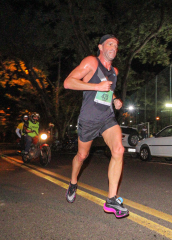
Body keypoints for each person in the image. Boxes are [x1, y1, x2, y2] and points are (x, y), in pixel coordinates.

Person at [63, 34, 128, 218]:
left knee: (119, 150)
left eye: (116, 45)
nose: (113, 47)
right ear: (100, 47)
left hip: (107, 117)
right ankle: (73, 182)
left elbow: (110, 90)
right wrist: (96, 87)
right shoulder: (91, 62)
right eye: (109, 44)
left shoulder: (114, 71)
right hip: (89, 118)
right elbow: (68, 82)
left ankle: (111, 200)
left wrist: (115, 100)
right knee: (82, 155)